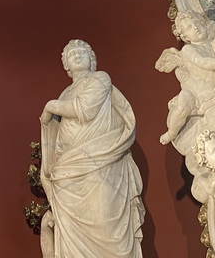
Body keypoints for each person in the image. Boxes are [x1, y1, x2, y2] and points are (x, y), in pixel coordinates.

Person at [40, 40, 144, 258]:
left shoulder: (100, 79)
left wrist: (50, 106)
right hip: (67, 171)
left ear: (92, 59)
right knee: (69, 240)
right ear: (66, 66)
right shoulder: (65, 93)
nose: (77, 55)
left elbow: (85, 109)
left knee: (106, 220)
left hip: (102, 161)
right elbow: (58, 140)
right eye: (71, 54)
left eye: (82, 51)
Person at [156, 10, 215, 146]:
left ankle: (203, 149)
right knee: (182, 108)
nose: (196, 28)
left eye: (197, 23)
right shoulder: (188, 50)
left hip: (214, 95)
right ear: (185, 36)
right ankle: (172, 132)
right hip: (194, 93)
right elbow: (204, 62)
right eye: (189, 28)